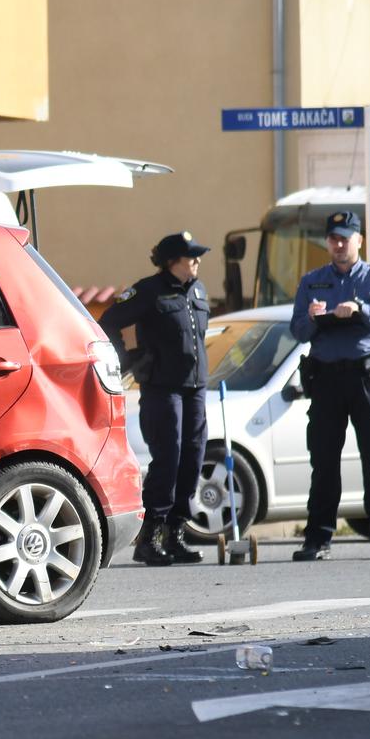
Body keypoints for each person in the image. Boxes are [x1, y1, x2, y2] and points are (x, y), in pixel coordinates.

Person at [288, 210, 370, 561]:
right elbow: (297, 330)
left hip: (365, 377)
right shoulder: (312, 281)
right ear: (327, 243)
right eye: (333, 239)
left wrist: (358, 309)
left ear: (359, 241)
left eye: (345, 239)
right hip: (325, 379)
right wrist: (313, 318)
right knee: (323, 460)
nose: (339, 245)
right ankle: (318, 538)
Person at [100, 231, 212, 565]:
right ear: (172, 261)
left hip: (195, 388)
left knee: (193, 456)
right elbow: (108, 322)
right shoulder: (148, 290)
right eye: (191, 257)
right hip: (163, 388)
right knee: (168, 458)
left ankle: (175, 534)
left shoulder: (199, 290)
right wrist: (130, 356)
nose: (197, 262)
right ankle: (149, 538)